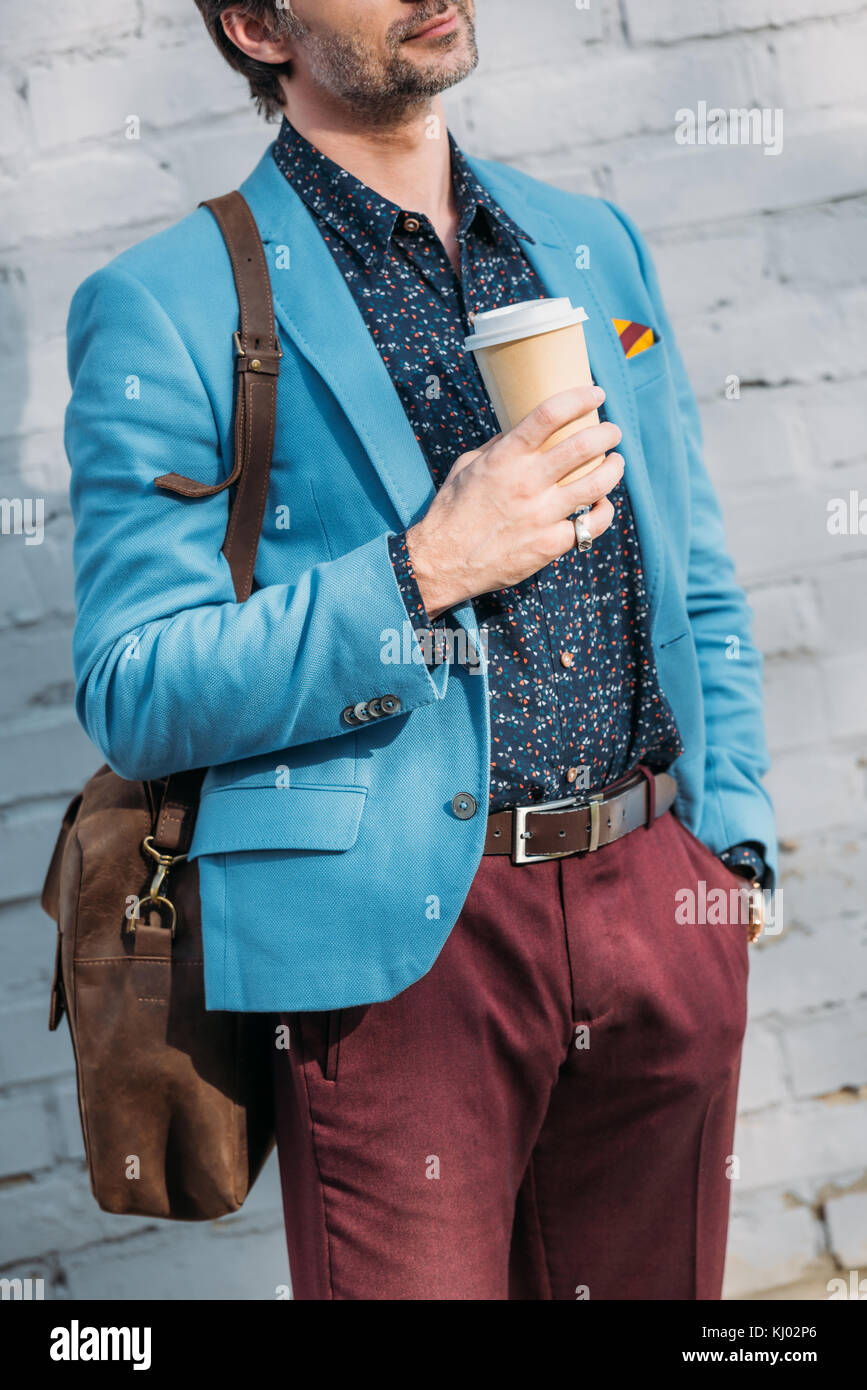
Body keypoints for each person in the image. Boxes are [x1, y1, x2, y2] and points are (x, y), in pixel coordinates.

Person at [65, 0, 775, 1299]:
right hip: (400, 957)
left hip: (658, 900)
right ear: (257, 27)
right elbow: (135, 685)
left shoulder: (593, 241)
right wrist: (424, 569)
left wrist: (731, 853)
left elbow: (695, 571)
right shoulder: (162, 304)